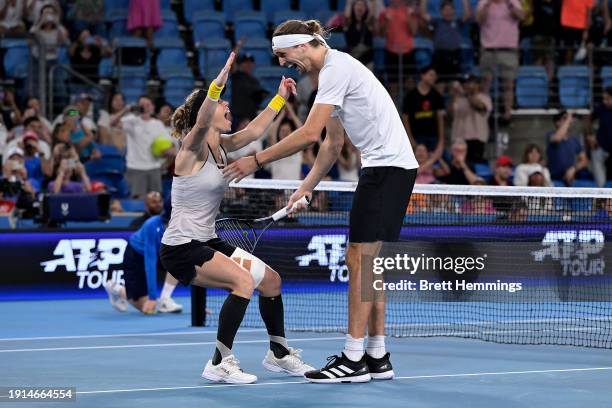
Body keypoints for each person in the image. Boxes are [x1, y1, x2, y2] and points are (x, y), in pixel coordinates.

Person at [223, 19, 419, 383]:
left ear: (301, 46)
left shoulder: (335, 69)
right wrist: (306, 187)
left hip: (385, 169)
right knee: (370, 264)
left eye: (283, 55)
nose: (282, 63)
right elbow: (332, 143)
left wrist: (256, 159)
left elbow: (310, 133)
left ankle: (353, 357)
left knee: (359, 261)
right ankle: (376, 356)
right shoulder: (329, 74)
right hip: (390, 169)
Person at [159, 53, 313, 384]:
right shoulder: (192, 148)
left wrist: (279, 97)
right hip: (181, 247)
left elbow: (256, 128)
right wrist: (217, 85)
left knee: (271, 280)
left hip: (207, 240)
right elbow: (200, 123)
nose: (228, 108)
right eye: (222, 104)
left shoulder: (222, 147)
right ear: (207, 110)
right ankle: (219, 361)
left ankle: (279, 354)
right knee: (242, 282)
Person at [103, 198, 183, 314]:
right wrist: (152, 298)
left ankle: (165, 299)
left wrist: (199, 305)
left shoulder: (183, 225)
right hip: (136, 255)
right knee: (146, 307)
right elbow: (150, 262)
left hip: (160, 252)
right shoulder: (151, 225)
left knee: (180, 259)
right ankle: (117, 289)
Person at [476, 0, 525, 123]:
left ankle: (507, 114)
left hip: (509, 49)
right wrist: (487, 5)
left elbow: (521, 17)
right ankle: (484, 112)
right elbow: (479, 20)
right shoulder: (483, 2)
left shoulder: (513, 2)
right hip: (488, 49)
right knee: (485, 83)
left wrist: (509, 5)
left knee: (508, 84)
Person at [119, 95, 171, 198]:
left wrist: (169, 154)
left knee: (156, 200)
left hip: (154, 168)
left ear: (152, 107)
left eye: (148, 105)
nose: (145, 108)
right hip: (136, 167)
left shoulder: (158, 124)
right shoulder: (131, 120)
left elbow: (167, 145)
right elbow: (112, 123)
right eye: (142, 105)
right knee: (138, 200)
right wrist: (126, 109)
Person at [422, 0, 471, 84]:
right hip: (440, 56)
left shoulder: (457, 22)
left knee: (455, 84)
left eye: (450, 9)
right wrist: (424, 1)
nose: (448, 12)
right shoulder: (436, 22)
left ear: (454, 11)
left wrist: (465, 2)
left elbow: (467, 15)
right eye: (445, 10)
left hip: (455, 56)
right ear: (441, 12)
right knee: (439, 84)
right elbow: (424, 15)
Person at [378, 0, 419, 102]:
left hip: (408, 52)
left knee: (410, 84)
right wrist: (386, 21)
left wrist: (409, 16)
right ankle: (394, 114)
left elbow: (414, 31)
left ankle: (409, 111)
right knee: (393, 87)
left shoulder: (410, 12)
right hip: (391, 52)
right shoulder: (385, 12)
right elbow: (381, 34)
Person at [449, 73, 492, 163]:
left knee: (474, 165)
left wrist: (465, 94)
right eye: (465, 83)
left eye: (470, 83)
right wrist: (453, 96)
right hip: (458, 138)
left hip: (476, 139)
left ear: (477, 85)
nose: (467, 85)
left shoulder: (484, 98)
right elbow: (449, 114)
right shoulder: (459, 98)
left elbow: (480, 106)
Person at [402, 65, 445, 152]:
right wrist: (410, 139)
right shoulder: (410, 96)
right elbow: (405, 119)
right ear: (423, 76)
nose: (434, 78)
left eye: (435, 76)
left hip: (433, 137)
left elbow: (440, 119)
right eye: (431, 75)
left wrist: (441, 141)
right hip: (416, 136)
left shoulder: (437, 95)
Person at [546, 110, 590, 185]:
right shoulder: (551, 134)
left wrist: (573, 169)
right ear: (557, 122)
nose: (569, 121)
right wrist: (568, 119)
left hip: (572, 177)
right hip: (555, 177)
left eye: (569, 119)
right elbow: (557, 138)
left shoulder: (574, 139)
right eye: (564, 118)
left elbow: (584, 160)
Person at [266, 102, 303, 180]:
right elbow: (270, 134)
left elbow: (302, 131)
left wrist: (291, 112)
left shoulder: (297, 149)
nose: (285, 133)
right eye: (282, 130)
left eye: (287, 131)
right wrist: (281, 114)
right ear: (278, 133)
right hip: (277, 189)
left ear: (292, 133)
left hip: (294, 189)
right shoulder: (274, 149)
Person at [586, 86, 612, 187]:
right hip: (600, 149)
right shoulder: (601, 108)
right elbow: (588, 120)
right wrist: (590, 136)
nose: (604, 101)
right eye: (604, 98)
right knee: (601, 185)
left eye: (607, 98)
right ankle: (601, 195)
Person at [230, 53, 268, 121]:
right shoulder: (237, 76)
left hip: (251, 117)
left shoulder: (255, 81)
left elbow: (259, 98)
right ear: (241, 64)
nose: (248, 65)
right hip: (237, 117)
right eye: (246, 62)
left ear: (253, 65)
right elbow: (231, 64)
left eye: (250, 63)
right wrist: (239, 44)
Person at [343, 0, 376, 68]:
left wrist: (373, 2)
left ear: (366, 8)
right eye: (357, 4)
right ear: (353, 7)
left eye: (362, 5)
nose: (360, 7)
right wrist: (349, 2)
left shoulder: (368, 24)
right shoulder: (348, 24)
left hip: (366, 63)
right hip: (352, 62)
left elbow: (372, 14)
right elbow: (347, 16)